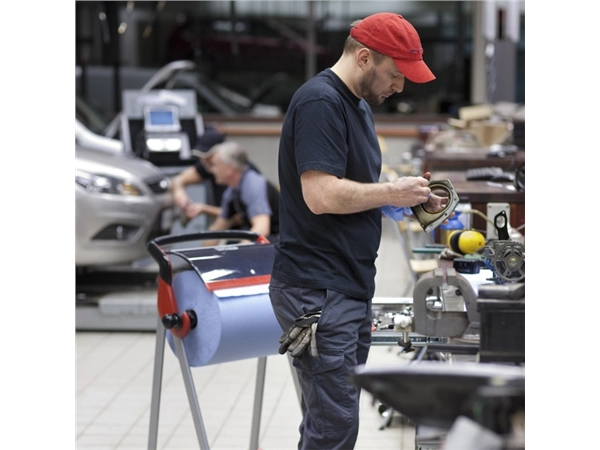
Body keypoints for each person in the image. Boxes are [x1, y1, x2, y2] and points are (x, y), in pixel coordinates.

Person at [268, 12, 446, 450]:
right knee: (334, 427)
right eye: (395, 75)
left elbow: (354, 188)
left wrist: (402, 201)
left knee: (329, 422)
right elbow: (321, 195)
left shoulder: (359, 106)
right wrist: (390, 190)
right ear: (364, 57)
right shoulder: (320, 103)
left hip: (345, 283)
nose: (400, 88)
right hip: (317, 289)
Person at [203, 141, 280, 245]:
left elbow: (262, 228)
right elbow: (217, 229)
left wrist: (239, 253)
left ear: (229, 169)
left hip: (281, 239)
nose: (212, 170)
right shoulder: (232, 193)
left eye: (215, 165)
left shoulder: (253, 184)